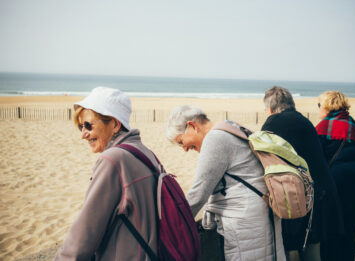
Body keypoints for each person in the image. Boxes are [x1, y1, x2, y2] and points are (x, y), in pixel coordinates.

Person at [166, 105, 286, 261]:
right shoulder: (232, 128)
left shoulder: (215, 138)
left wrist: (171, 226)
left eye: (181, 141)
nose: (184, 149)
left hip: (245, 225)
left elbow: (198, 193)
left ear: (192, 126)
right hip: (262, 215)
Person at [54, 87, 158, 260]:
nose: (83, 135)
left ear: (115, 124)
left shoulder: (113, 160)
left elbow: (84, 234)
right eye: (81, 126)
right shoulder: (144, 152)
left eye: (88, 125)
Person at [260, 86, 344, 261]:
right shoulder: (304, 121)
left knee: (292, 249)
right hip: (321, 191)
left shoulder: (273, 122)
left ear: (270, 108)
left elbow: (267, 158)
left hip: (301, 196)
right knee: (313, 249)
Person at [315, 91, 355, 261]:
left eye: (319, 105)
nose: (318, 108)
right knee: (349, 230)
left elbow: (316, 159)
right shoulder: (352, 124)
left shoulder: (323, 127)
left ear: (328, 106)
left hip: (339, 184)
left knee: (330, 232)